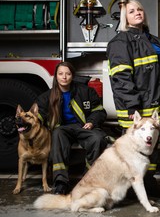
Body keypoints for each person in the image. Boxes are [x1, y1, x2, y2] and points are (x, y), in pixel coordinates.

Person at [106, 0, 160, 198]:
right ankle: (128, 188)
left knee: (152, 148)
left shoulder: (151, 39)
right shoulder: (120, 42)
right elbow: (121, 78)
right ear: (124, 18)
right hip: (137, 108)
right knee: (133, 151)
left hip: (155, 104)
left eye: (140, 9)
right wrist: (132, 105)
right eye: (131, 11)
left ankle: (148, 183)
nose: (137, 12)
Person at [36, 61, 108, 195]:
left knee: (98, 139)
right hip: (63, 129)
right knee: (57, 134)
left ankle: (89, 180)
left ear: (72, 76)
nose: (64, 77)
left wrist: (92, 122)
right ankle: (61, 183)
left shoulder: (86, 91)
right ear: (56, 76)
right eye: (61, 74)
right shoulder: (47, 97)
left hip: (84, 127)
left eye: (68, 74)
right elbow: (37, 115)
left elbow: (99, 111)